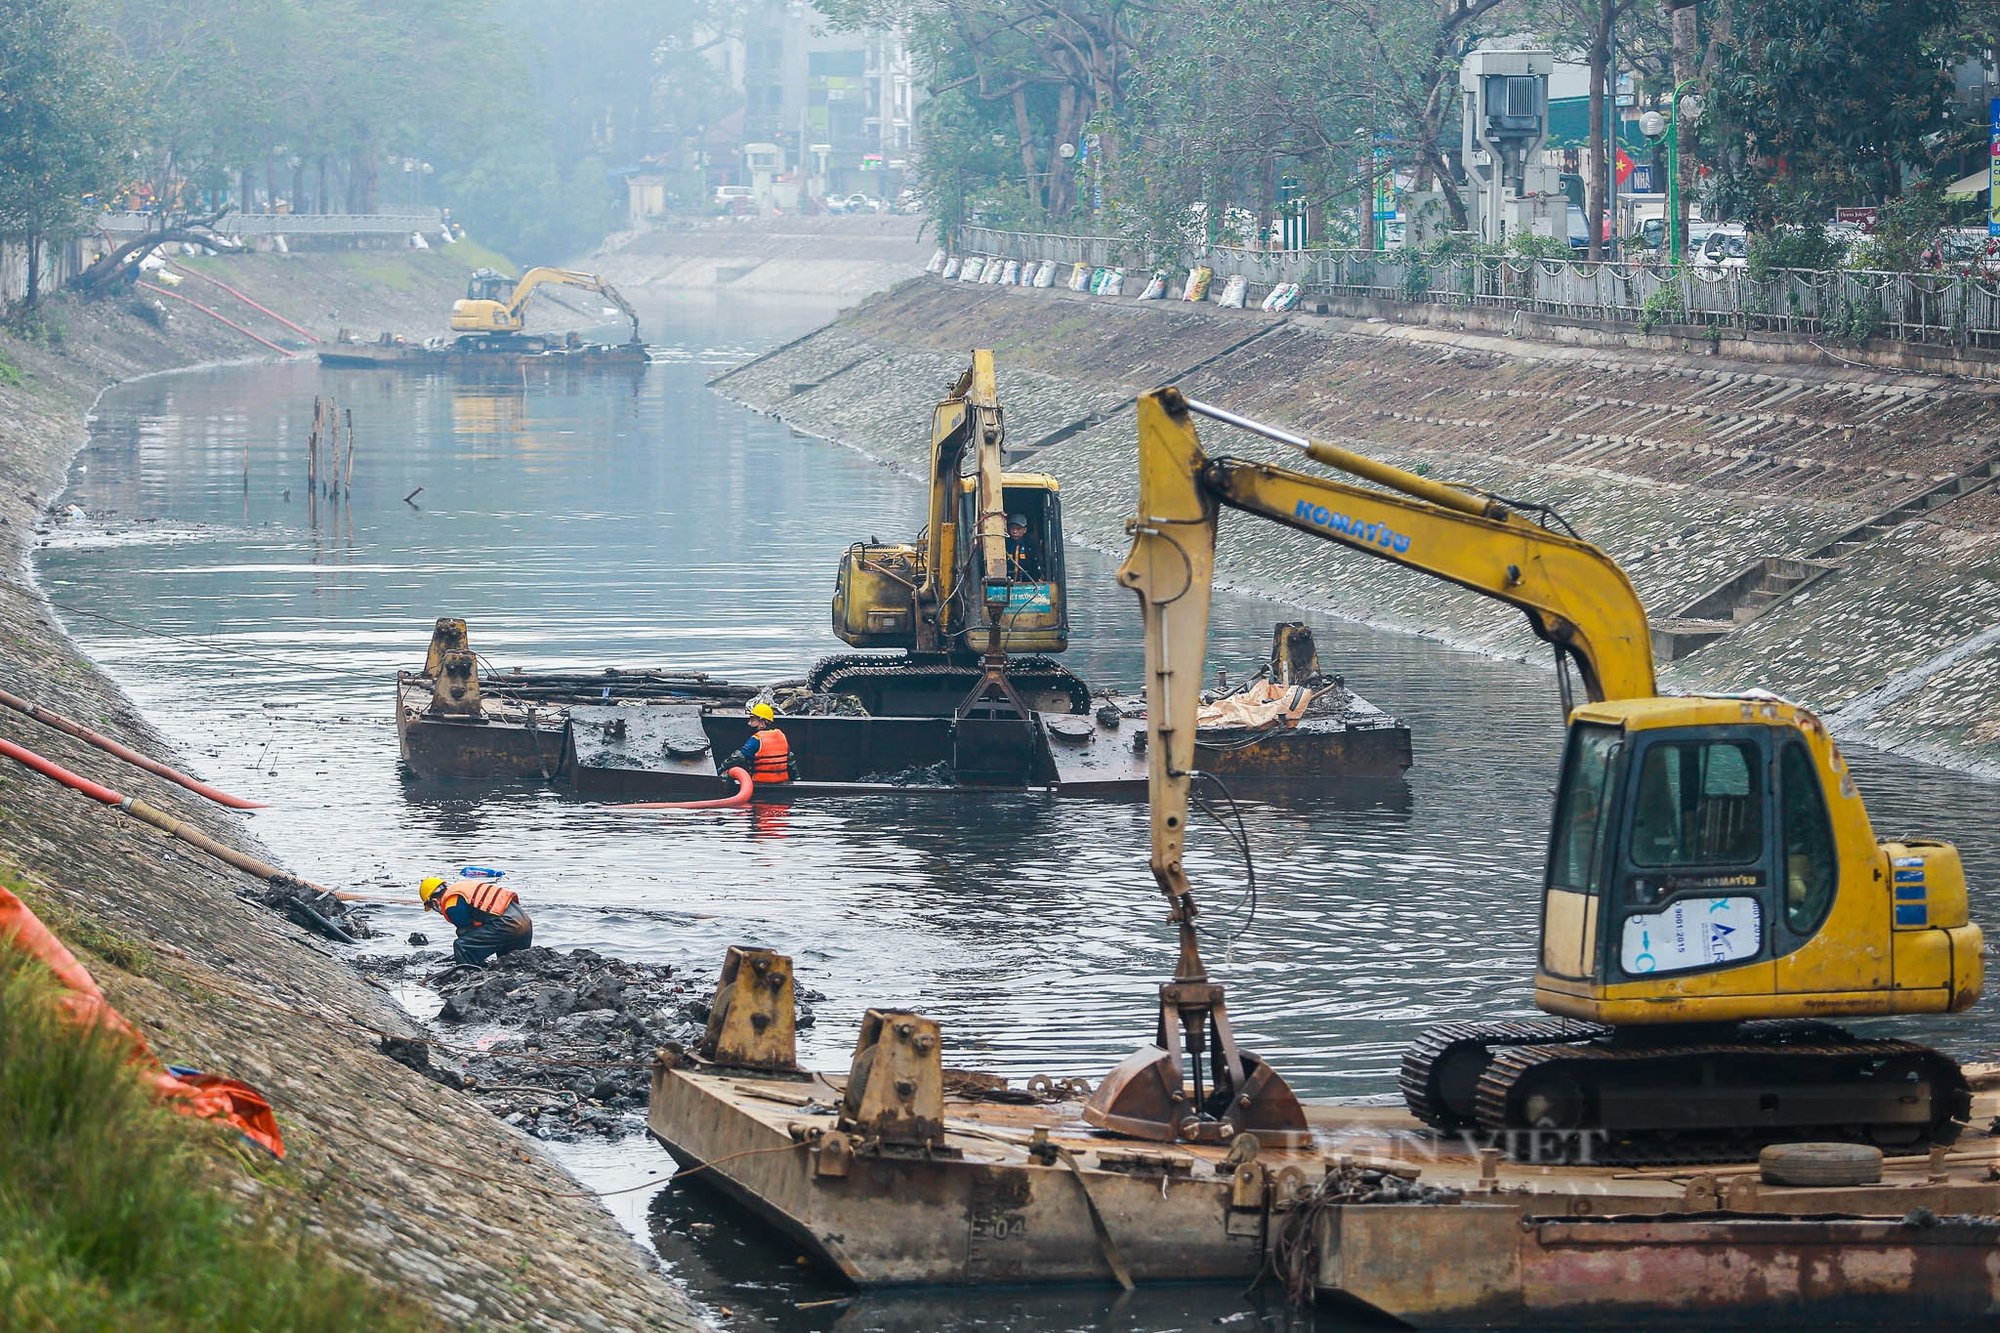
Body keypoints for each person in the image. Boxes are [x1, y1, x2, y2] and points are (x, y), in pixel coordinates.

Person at [420, 873, 533, 966]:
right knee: (510, 964)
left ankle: (468, 977)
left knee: (461, 946)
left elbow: (466, 934)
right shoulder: (461, 889)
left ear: (434, 902)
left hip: (507, 924)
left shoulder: (452, 904)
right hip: (525, 922)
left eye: (433, 908)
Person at [719, 701, 792, 787]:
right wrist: (797, 781)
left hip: (760, 785)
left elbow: (738, 757)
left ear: (762, 722)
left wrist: (721, 768)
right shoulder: (781, 736)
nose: (749, 723)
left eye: (753, 720)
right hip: (782, 784)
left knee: (726, 777)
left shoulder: (757, 739)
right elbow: (791, 761)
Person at [1004, 512, 1041, 580]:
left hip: (1028, 581)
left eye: (1018, 529)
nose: (1015, 532)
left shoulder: (1031, 543)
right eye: (1012, 528)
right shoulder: (1004, 542)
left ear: (1024, 530)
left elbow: (1037, 562)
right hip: (1007, 581)